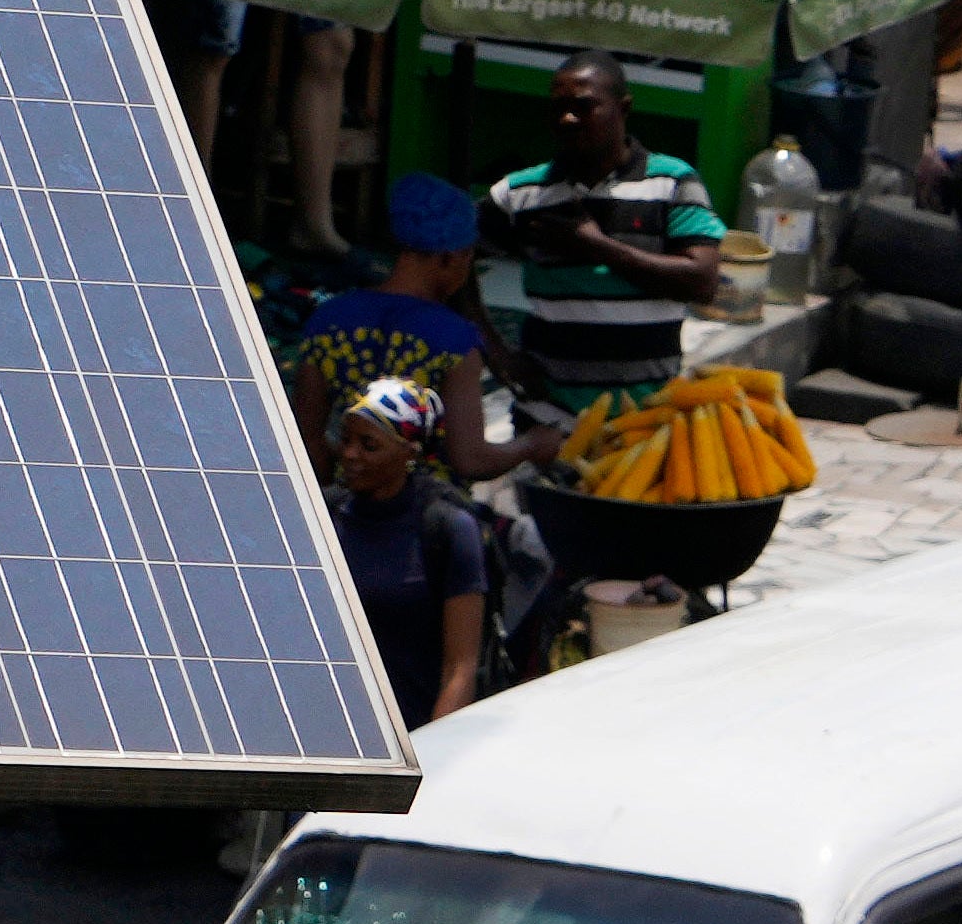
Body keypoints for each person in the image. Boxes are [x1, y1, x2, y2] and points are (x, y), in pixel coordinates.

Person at [479, 61, 727, 426]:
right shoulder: (520, 194)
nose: (567, 118)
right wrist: (495, 352)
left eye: (582, 106)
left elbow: (703, 282)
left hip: (647, 423)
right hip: (547, 421)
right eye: (558, 108)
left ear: (623, 108)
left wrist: (597, 247)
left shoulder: (673, 183)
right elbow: (447, 262)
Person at [275, 180, 515, 482]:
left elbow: (306, 442)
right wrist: (532, 447)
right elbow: (470, 460)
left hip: (349, 501)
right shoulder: (456, 340)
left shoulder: (328, 320)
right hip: (426, 511)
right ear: (450, 258)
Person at [318, 380, 488, 723]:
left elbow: (461, 668)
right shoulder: (320, 517)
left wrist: (434, 753)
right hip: (330, 727)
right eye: (346, 439)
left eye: (369, 445)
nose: (350, 454)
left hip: (413, 731)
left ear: (409, 452)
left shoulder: (447, 529)